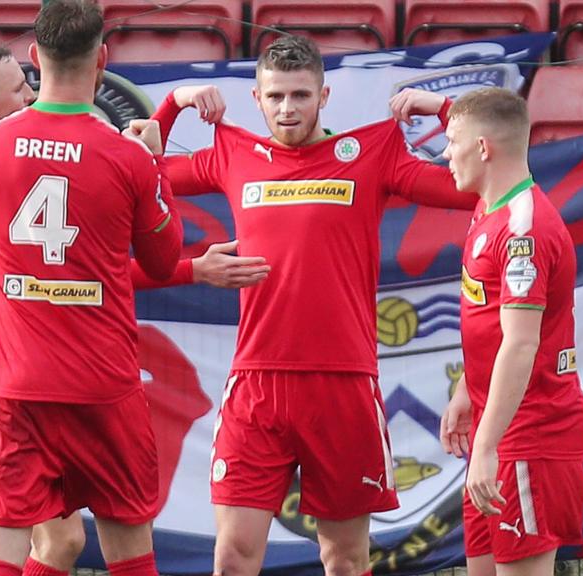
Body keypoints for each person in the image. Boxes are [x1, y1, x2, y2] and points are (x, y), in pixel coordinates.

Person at [130, 35, 474, 576]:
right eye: (275, 97)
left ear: (325, 95)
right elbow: (139, 173)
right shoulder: (233, 152)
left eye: (300, 95)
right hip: (257, 385)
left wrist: (449, 109)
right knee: (235, 556)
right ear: (258, 100)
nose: (287, 109)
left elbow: (476, 183)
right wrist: (174, 103)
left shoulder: (370, 154)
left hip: (342, 386)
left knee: (343, 557)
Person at [0, 43, 268, 576]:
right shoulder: (95, 152)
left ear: (38, 53)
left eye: (28, 81)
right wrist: (188, 267)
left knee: (45, 544)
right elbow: (118, 266)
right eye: (18, 89)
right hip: (15, 376)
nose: (29, 94)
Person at [0, 2, 183, 576]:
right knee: (130, 553)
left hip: (15, 383)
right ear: (102, 59)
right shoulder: (129, 155)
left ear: (34, 58)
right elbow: (162, 262)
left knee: (0, 552)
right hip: (103, 386)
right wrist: (157, 167)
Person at [439, 87, 583, 575]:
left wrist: (486, 446)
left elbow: (522, 342)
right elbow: (491, 320)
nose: (444, 153)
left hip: (530, 434)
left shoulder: (523, 229)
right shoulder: (489, 209)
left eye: (451, 141)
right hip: (499, 426)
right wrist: (467, 387)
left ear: (482, 148)